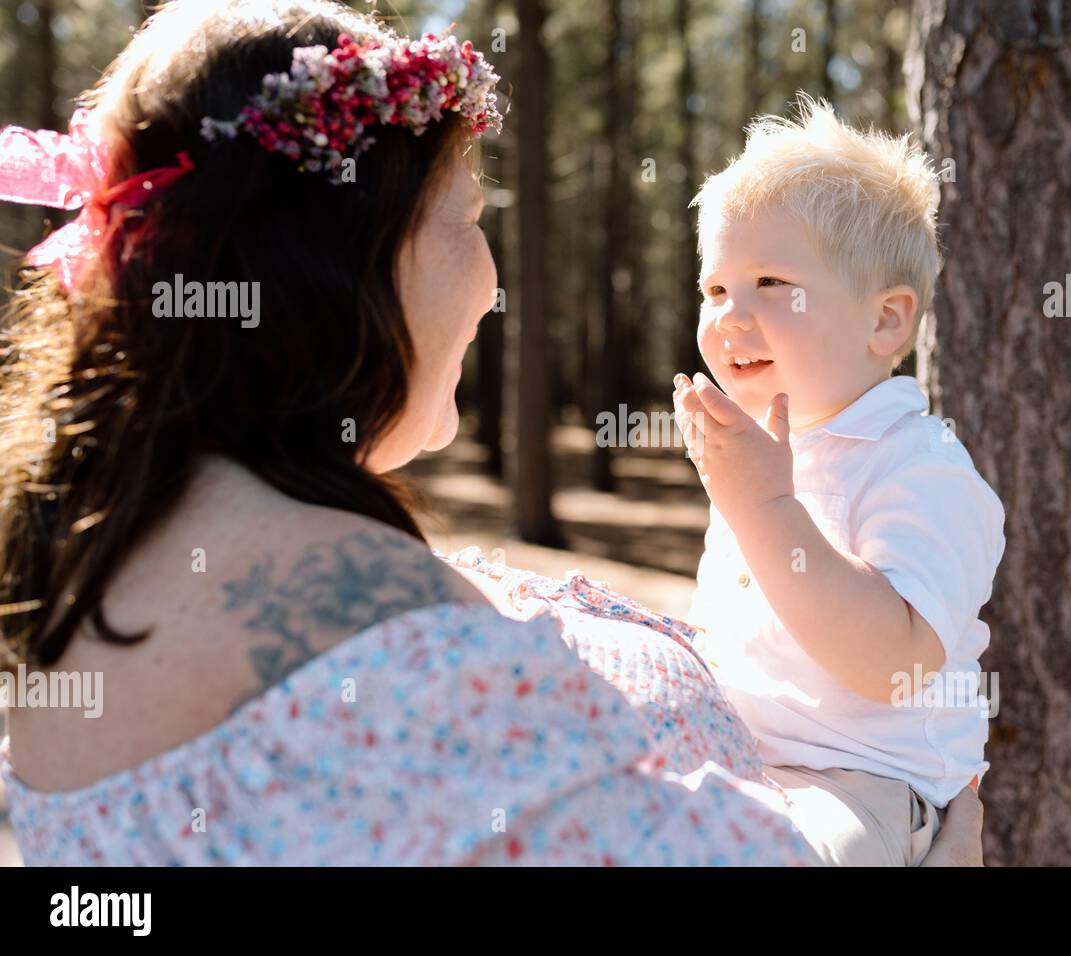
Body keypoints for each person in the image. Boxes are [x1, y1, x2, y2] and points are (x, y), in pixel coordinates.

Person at [0, 0, 982, 866]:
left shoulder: (111, 549)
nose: (493, 276)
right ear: (353, 258)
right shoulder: (378, 642)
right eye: (468, 216)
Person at [674, 97, 1005, 865]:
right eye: (715, 289)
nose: (729, 315)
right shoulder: (762, 458)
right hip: (741, 762)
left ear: (886, 321)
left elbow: (892, 663)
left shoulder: (920, 468)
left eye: (769, 283)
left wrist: (764, 505)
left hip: (864, 789)